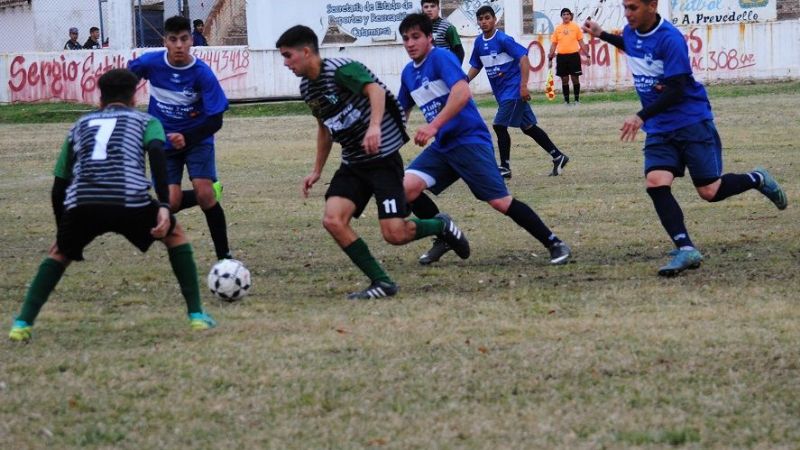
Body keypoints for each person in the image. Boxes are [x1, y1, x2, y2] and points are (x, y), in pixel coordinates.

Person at [8, 69, 216, 342]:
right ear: (134, 98)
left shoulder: (80, 125)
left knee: (59, 253)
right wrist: (164, 205)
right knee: (175, 236)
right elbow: (157, 155)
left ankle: (22, 323)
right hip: (129, 199)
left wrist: (63, 229)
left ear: (100, 99)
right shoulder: (146, 121)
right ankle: (196, 315)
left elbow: (59, 185)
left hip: (83, 201)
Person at [582, 0, 787, 276]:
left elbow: (676, 89)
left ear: (652, 5)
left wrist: (641, 116)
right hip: (659, 127)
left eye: (633, 7)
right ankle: (686, 248)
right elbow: (632, 46)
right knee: (656, 182)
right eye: (625, 7)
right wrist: (602, 34)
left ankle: (757, 178)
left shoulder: (670, 39)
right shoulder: (631, 31)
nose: (627, 13)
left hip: (690, 121)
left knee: (709, 191)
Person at [275, 25, 470, 300]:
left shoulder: (341, 70)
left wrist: (374, 127)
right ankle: (382, 282)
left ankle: (441, 225)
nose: (285, 63)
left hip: (382, 159)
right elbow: (324, 128)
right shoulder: (308, 87)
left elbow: (376, 91)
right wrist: (317, 170)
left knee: (395, 234)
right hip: (353, 163)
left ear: (306, 52)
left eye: (288, 56)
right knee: (333, 220)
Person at [398, 13, 571, 267]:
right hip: (443, 147)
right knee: (405, 188)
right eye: (406, 39)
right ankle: (444, 236)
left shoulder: (441, 58)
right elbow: (400, 113)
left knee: (500, 202)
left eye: (416, 37)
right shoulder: (408, 73)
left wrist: (433, 125)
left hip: (469, 141)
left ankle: (554, 242)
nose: (410, 43)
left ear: (429, 37)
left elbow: (462, 92)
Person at [128, 16, 233, 261]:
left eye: (184, 39)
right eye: (173, 39)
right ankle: (208, 192)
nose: (178, 45)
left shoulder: (202, 74)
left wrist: (186, 136)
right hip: (163, 142)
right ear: (164, 41)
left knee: (205, 194)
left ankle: (225, 258)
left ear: (191, 41)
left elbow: (215, 121)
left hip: (197, 139)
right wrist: (123, 102)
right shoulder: (151, 63)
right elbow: (125, 79)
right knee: (172, 202)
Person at [468, 6, 569, 180]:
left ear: (495, 20)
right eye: (481, 19)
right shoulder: (478, 43)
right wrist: (464, 80)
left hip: (513, 90)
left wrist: (523, 86)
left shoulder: (503, 39)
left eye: (487, 18)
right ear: (477, 21)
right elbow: (476, 65)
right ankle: (558, 156)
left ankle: (505, 167)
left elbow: (523, 58)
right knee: (528, 127)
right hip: (502, 93)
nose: (484, 22)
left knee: (499, 125)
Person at [548, 8, 590, 105]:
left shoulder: (575, 27)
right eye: (564, 14)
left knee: (575, 78)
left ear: (570, 16)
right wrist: (550, 59)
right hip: (561, 57)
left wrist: (588, 56)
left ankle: (577, 100)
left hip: (574, 56)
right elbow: (553, 44)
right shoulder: (558, 29)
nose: (566, 16)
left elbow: (581, 42)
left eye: (567, 14)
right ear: (561, 16)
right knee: (564, 79)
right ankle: (566, 101)